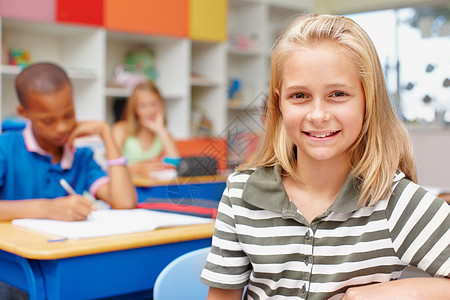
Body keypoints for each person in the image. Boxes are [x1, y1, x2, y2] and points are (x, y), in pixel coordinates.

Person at [200, 14, 450, 299]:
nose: (318, 115)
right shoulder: (240, 194)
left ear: (368, 101)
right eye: (300, 96)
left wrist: (388, 293)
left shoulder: (395, 202)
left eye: (338, 94)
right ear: (279, 102)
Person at [0, 62, 137, 222]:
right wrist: (48, 209)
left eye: (68, 115)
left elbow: (125, 203)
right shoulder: (5, 148)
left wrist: (106, 133)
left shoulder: (81, 157)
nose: (62, 128)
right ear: (23, 113)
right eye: (48, 121)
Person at [112, 81, 180, 179]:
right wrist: (137, 169)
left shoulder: (163, 134)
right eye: (143, 106)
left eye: (154, 104)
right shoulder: (120, 129)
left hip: (151, 188)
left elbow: (175, 165)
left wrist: (160, 130)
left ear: (161, 104)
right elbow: (111, 166)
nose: (150, 111)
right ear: (134, 109)